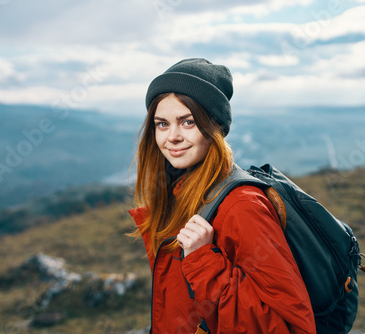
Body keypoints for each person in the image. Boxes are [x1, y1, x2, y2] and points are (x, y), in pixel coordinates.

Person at [129, 58, 316, 334]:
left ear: (214, 127)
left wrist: (204, 261)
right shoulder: (180, 196)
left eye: (188, 122)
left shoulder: (243, 206)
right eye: (162, 124)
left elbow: (289, 327)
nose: (173, 137)